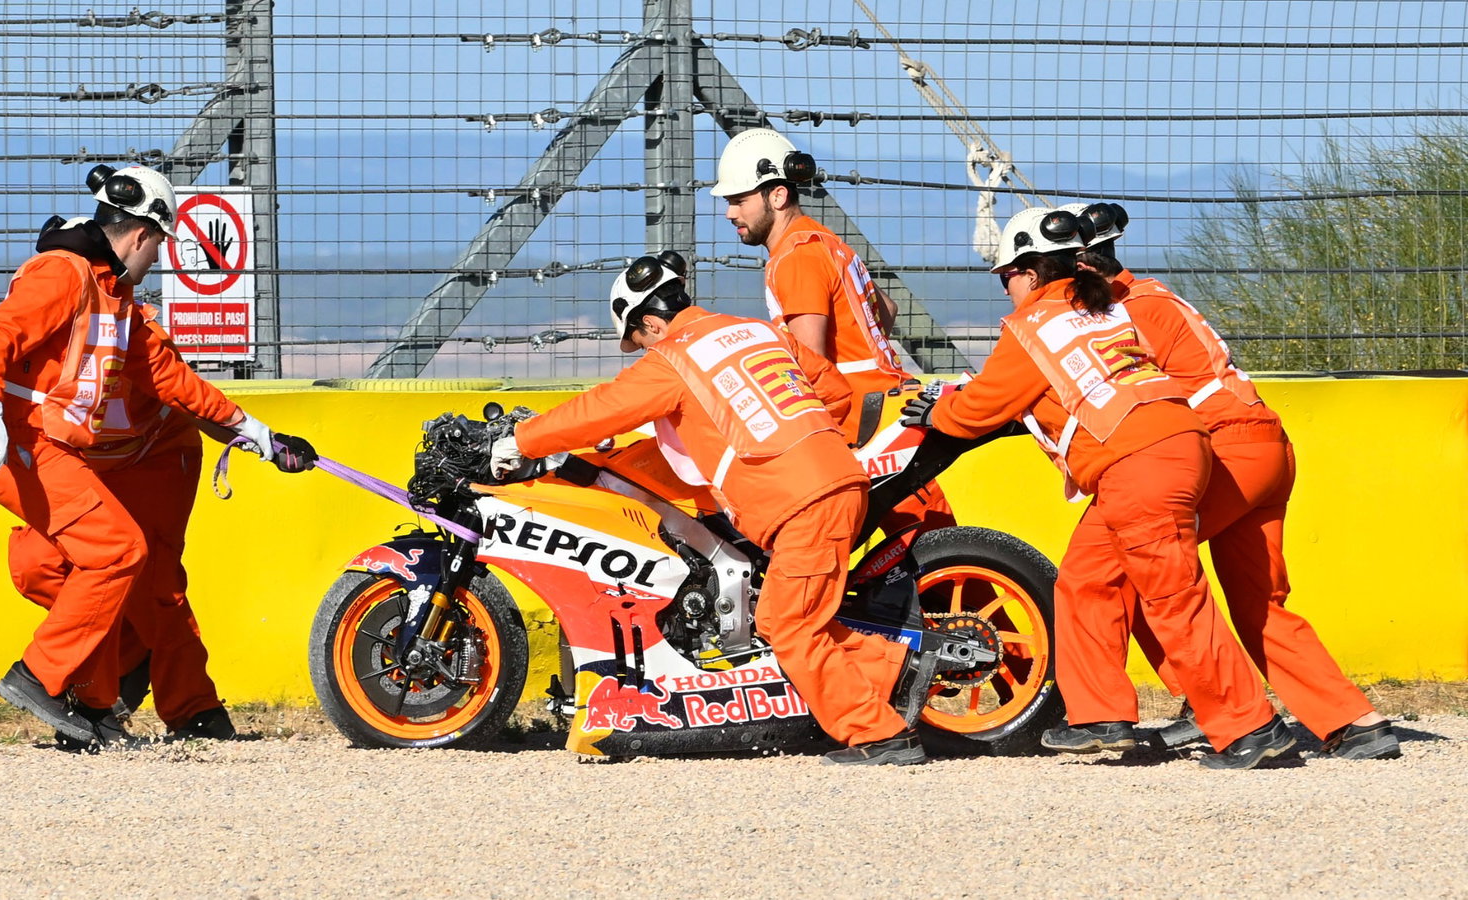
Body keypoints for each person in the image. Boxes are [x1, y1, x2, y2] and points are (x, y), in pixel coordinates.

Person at [490, 251, 946, 766]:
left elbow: (601, 409)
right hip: (836, 480)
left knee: (789, 625)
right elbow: (835, 393)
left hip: (798, 500)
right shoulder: (756, 331)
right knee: (791, 617)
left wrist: (521, 440)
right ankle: (900, 665)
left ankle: (882, 736)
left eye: (637, 341)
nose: (640, 352)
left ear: (651, 323)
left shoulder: (673, 358)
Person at [900, 206, 1293, 769]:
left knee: (1174, 597)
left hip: (1139, 465)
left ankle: (1251, 728)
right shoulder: (1102, 307)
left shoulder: (1034, 325)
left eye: (1006, 275)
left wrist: (939, 410)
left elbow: (980, 408)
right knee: (1085, 579)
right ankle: (1100, 717)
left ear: (1030, 273)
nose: (1005, 287)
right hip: (1178, 444)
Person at [0, 164, 316, 747]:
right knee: (87, 559)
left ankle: (99, 702)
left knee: (122, 565)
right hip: (26, 442)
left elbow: (170, 378)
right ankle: (45, 677)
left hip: (92, 452)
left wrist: (256, 433)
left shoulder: (116, 298)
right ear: (143, 234)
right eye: (159, 246)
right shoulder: (64, 274)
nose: (157, 259)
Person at [1063, 201, 1398, 760]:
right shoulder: (1150, 296)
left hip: (1222, 447)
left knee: (1122, 562)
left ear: (1078, 266)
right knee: (1259, 603)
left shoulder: (1117, 313)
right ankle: (1355, 721)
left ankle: (1170, 708)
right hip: (1266, 444)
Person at [708, 128, 956, 532]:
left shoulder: (796, 257)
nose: (729, 213)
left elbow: (809, 360)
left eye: (739, 200)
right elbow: (886, 310)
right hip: (890, 408)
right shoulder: (827, 242)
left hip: (858, 421)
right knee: (930, 542)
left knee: (916, 550)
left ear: (777, 195)